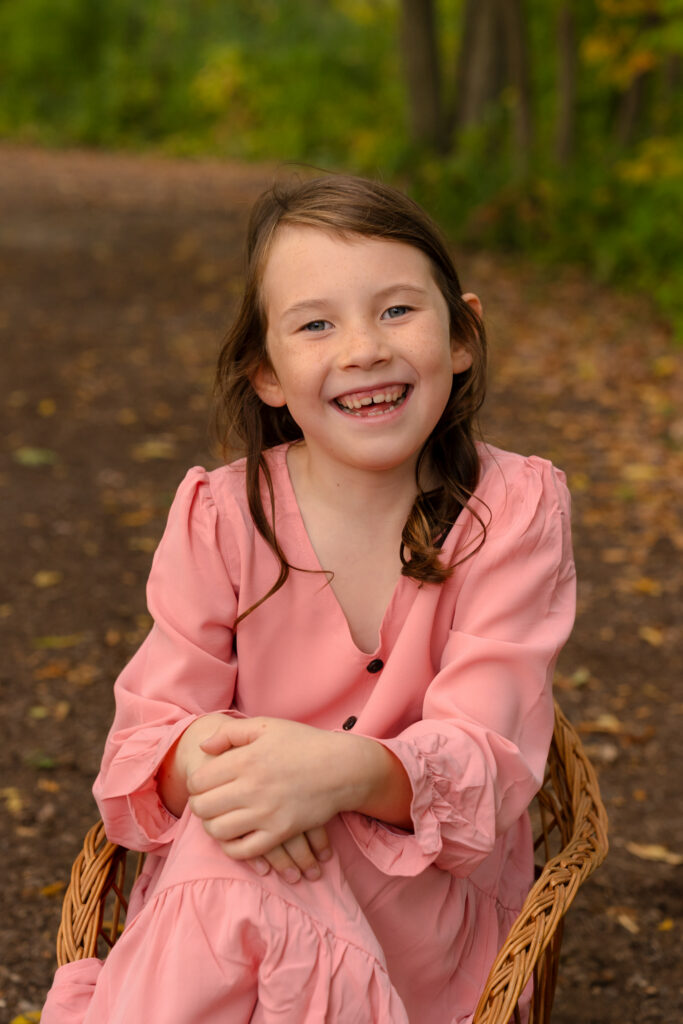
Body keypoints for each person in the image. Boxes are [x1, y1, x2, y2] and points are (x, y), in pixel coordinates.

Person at [42, 174, 576, 1024]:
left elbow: (487, 762)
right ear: (267, 374)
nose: (362, 348)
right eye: (316, 324)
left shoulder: (511, 511)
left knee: (229, 854)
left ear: (463, 333)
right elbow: (146, 742)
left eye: (397, 310)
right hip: (236, 865)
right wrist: (237, 771)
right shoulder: (222, 517)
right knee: (230, 844)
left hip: (417, 890)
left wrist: (335, 773)